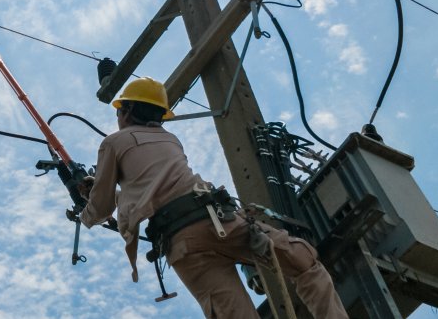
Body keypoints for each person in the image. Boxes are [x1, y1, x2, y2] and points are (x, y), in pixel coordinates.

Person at [78, 77, 348, 319]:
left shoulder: (114, 142)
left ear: (127, 111)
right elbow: (157, 184)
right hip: (218, 219)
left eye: (119, 111)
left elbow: (105, 206)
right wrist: (112, 195)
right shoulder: (169, 139)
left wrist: (86, 212)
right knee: (307, 265)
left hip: (184, 245)